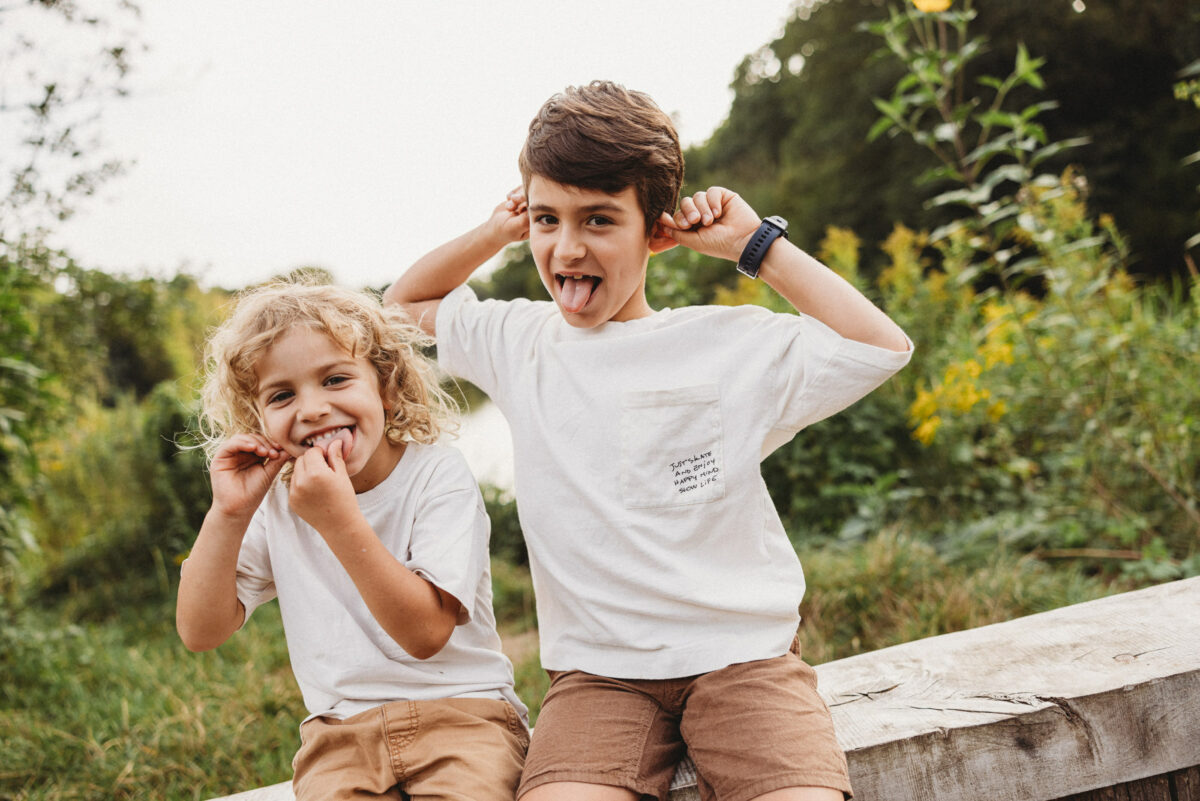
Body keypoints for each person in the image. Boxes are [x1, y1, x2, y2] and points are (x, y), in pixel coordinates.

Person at [384, 81, 912, 801]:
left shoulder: (722, 342)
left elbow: (879, 346)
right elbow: (405, 305)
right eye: (547, 218)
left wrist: (758, 247)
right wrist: (495, 231)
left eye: (598, 219)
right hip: (600, 676)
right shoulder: (518, 340)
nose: (566, 246)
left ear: (657, 232)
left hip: (745, 661)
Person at [176, 280, 528, 801]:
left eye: (336, 379)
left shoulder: (437, 476)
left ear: (385, 386)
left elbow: (426, 633)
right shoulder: (275, 502)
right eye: (282, 395)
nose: (313, 408)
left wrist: (339, 522)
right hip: (339, 736)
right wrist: (228, 512)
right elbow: (200, 630)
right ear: (258, 420)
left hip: (465, 716)